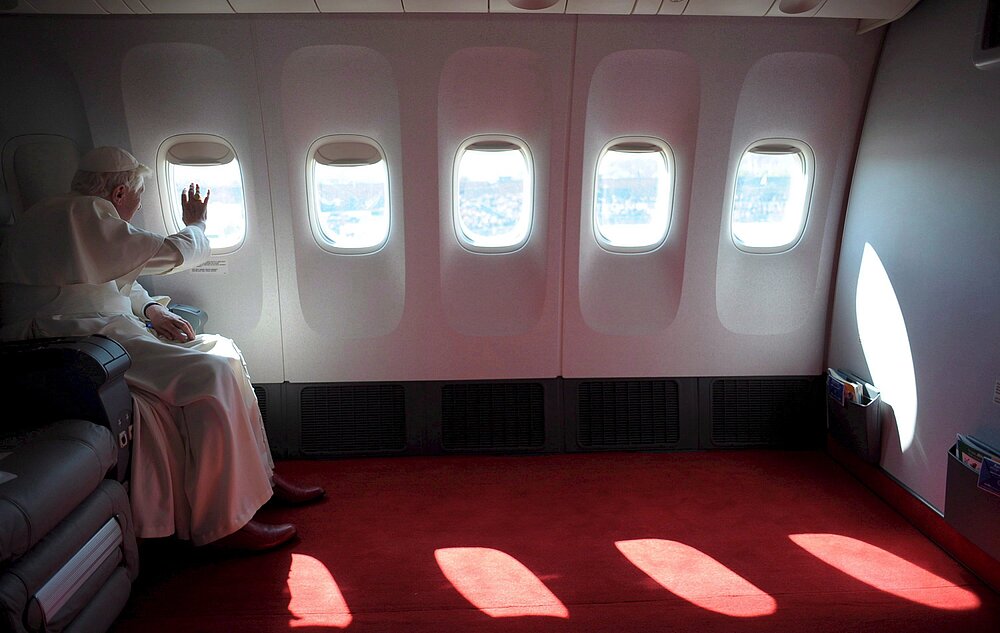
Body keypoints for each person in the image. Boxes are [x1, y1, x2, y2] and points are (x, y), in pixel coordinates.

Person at [0, 146, 323, 552]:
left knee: (223, 349)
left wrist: (153, 308)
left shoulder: (73, 218)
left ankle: (261, 479)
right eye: (137, 198)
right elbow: (166, 254)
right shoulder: (83, 213)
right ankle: (223, 523)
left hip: (100, 326)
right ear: (120, 192)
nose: (136, 208)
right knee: (212, 372)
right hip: (80, 339)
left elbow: (115, 276)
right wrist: (197, 225)